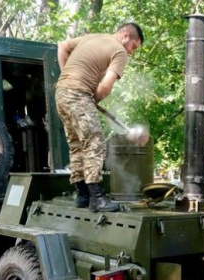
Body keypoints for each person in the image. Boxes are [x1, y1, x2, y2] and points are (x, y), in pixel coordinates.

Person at [55, 23, 144, 212]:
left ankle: (82, 196)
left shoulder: (92, 37)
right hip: (78, 94)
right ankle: (97, 198)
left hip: (61, 94)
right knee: (94, 143)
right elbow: (105, 87)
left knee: (77, 145)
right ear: (126, 35)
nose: (131, 53)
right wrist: (91, 97)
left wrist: (66, 77)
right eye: (134, 47)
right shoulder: (119, 51)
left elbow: (62, 46)